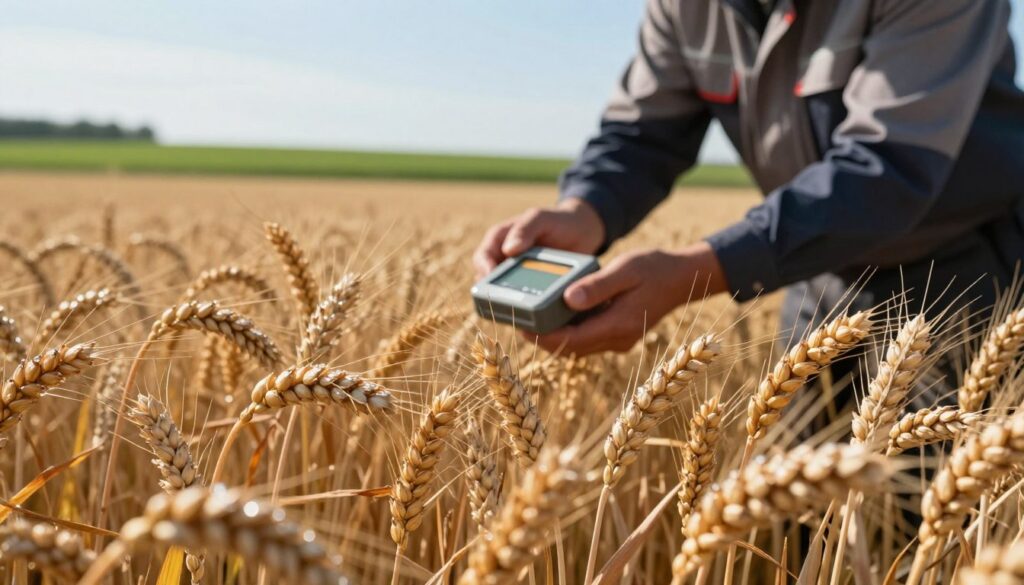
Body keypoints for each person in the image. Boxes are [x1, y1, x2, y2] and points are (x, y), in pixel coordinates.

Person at [474, 0, 1024, 357]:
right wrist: (584, 210)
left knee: (928, 520)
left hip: (964, 268)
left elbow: (887, 169)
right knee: (798, 522)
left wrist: (694, 273)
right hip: (816, 266)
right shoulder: (681, 7)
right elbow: (641, 134)